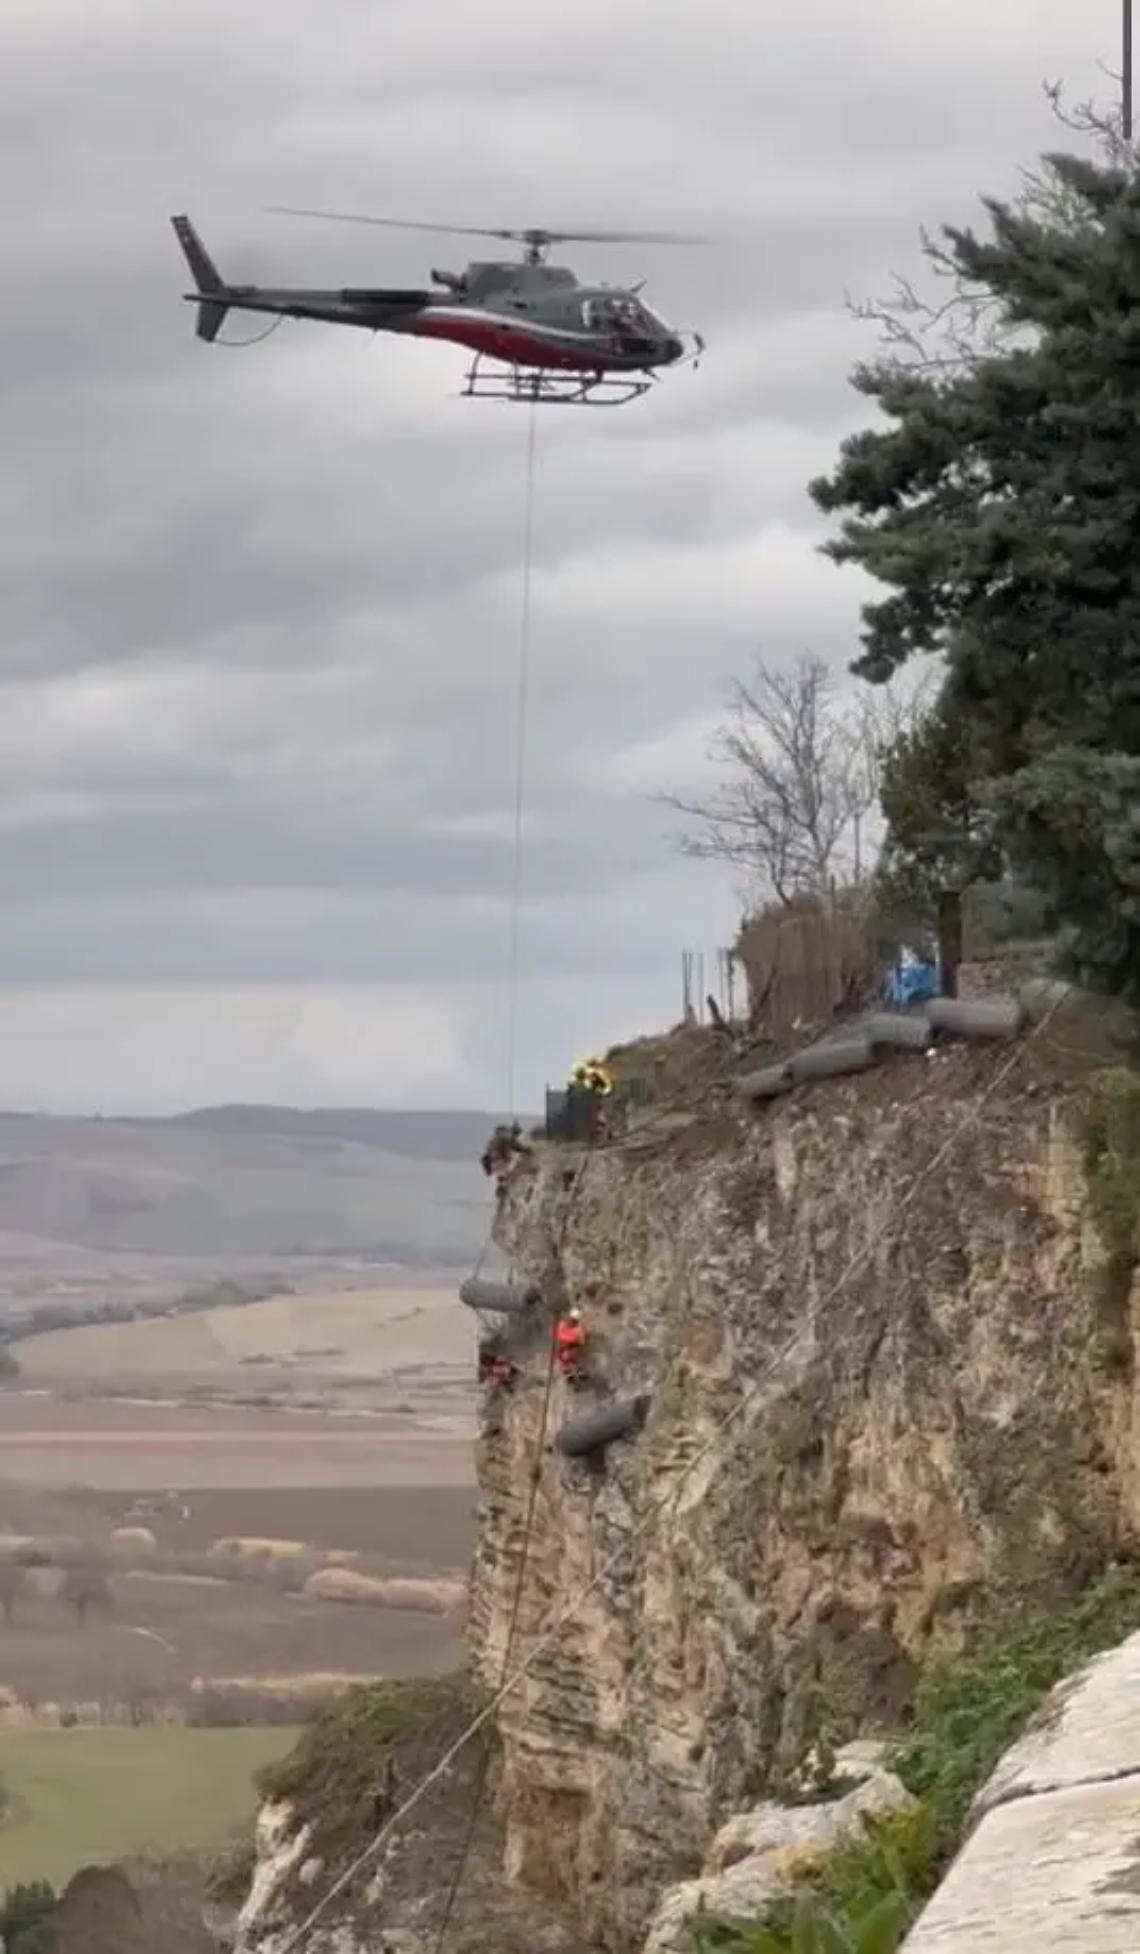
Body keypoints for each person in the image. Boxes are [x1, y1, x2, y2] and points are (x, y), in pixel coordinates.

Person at [554, 1306, 587, 1383]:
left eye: (574, 1321)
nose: (572, 1322)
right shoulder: (562, 1325)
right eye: (571, 1320)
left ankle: (578, 1370)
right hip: (563, 1346)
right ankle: (569, 1372)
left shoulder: (579, 1329)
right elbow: (558, 1336)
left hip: (572, 1347)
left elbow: (581, 1342)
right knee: (562, 1357)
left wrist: (571, 1346)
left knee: (569, 1356)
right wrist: (563, 1345)